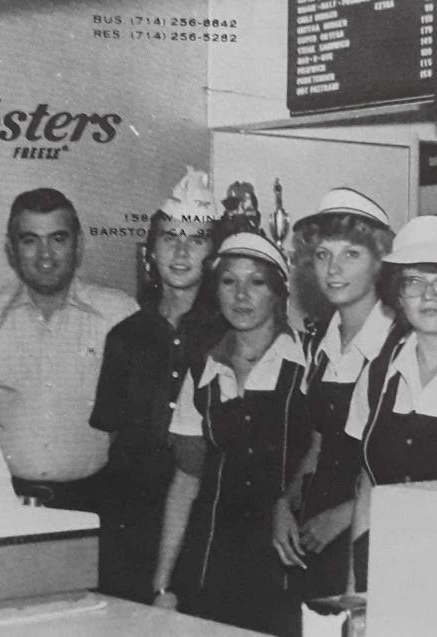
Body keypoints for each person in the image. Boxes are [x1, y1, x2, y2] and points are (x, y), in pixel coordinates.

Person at [0, 187, 138, 512]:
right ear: (11, 251)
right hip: (0, 502)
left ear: (79, 245)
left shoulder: (119, 315)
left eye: (58, 239)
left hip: (99, 501)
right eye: (30, 240)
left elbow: (142, 418)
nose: (46, 255)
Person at [152, 231, 309, 636]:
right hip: (211, 570)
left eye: (256, 282)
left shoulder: (308, 365)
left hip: (287, 571)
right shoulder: (202, 373)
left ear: (278, 293)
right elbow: (185, 482)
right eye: (229, 281)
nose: (241, 295)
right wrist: (163, 585)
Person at [89, 168, 226, 604]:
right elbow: (115, 435)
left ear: (215, 254)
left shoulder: (229, 336)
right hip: (129, 519)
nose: (182, 250)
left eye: (197, 239)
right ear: (150, 251)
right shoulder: (124, 337)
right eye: (170, 238)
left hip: (203, 521)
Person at [344, 215, 437, 591]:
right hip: (380, 575)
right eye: (414, 282)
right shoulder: (379, 373)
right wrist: (354, 594)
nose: (429, 297)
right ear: (398, 294)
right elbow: (367, 488)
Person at [272, 188, 401, 600]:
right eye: (324, 254)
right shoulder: (320, 344)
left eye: (351, 254)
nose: (333, 268)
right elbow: (318, 443)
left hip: (373, 528)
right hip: (315, 528)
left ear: (380, 262)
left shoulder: (400, 344)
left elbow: (416, 461)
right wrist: (285, 503)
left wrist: (343, 517)